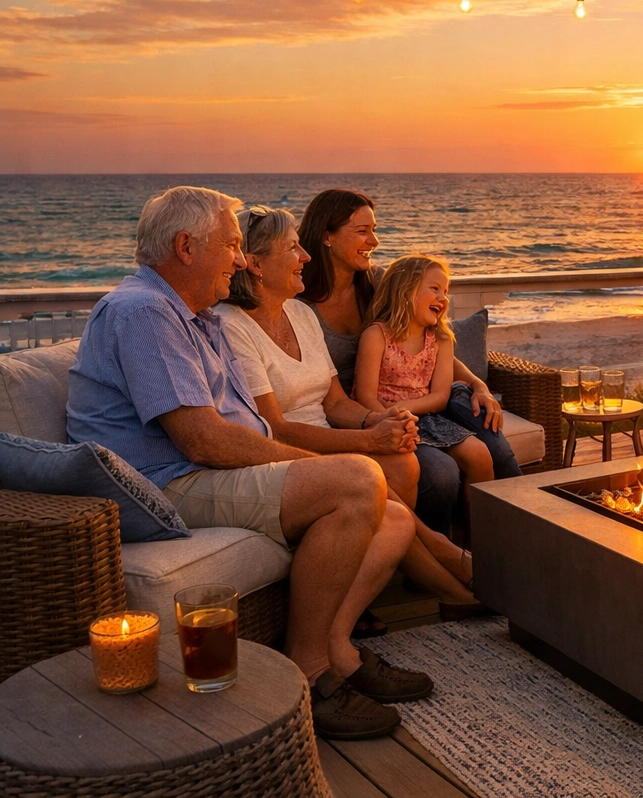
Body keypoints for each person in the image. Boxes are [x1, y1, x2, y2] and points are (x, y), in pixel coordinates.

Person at [66, 186, 434, 740]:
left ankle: (339, 652)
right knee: (358, 480)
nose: (240, 260)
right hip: (171, 485)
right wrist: (309, 464)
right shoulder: (145, 312)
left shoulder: (194, 317)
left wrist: (312, 464)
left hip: (208, 472)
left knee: (397, 517)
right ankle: (308, 675)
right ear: (187, 246)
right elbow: (203, 441)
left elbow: (239, 430)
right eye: (233, 246)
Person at [216, 207, 484, 620]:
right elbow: (276, 428)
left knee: (402, 460)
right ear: (255, 264)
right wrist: (365, 441)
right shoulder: (231, 326)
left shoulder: (301, 314)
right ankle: (448, 572)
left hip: (330, 435)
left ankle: (402, 577)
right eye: (293, 249)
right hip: (287, 454)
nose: (305, 257)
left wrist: (380, 421)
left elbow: (336, 402)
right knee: (382, 481)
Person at [297, 189, 518, 535]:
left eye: (374, 229)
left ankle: (518, 533)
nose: (374, 240)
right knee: (442, 474)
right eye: (362, 231)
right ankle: (439, 554)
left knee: (494, 448)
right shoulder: (300, 304)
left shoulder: (377, 282)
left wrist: (478, 384)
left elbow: (430, 346)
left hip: (414, 405)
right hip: (359, 410)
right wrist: (384, 417)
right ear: (327, 235)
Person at [355, 256, 495, 512]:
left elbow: (441, 396)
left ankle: (478, 540)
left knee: (480, 456)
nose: (443, 298)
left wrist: (401, 407)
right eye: (435, 289)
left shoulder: (440, 339)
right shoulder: (376, 336)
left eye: (446, 291)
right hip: (386, 421)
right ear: (405, 291)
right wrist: (389, 417)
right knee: (443, 473)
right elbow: (364, 396)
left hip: (427, 417)